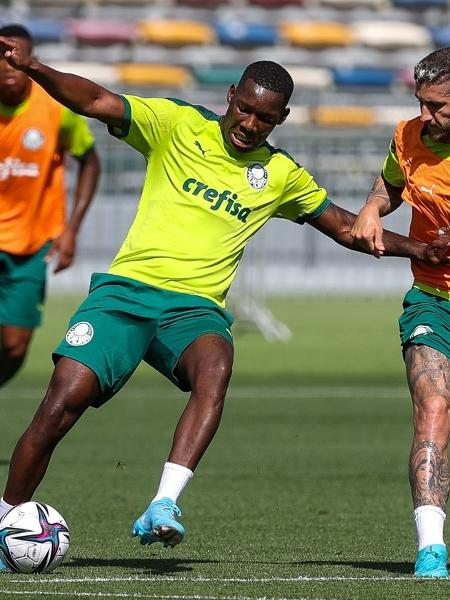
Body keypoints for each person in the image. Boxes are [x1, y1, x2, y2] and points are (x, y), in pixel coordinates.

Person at [0, 41, 448, 572]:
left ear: (281, 119)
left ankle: (163, 502)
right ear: (231, 95)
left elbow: (345, 228)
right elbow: (95, 100)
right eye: (245, 109)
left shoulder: (279, 174)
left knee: (216, 366)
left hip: (194, 309)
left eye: (265, 118)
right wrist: (33, 67)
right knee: (60, 405)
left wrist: (416, 248)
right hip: (126, 293)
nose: (251, 124)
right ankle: (8, 515)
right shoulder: (173, 123)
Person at [351, 47, 450, 578]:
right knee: (432, 405)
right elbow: (392, 183)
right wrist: (372, 206)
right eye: (421, 103)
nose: (426, 116)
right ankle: (431, 547)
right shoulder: (408, 135)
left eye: (439, 107)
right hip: (433, 299)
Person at [0, 24, 100, 387]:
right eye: (1, 57)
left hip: (29, 244)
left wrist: (71, 229)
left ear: (29, 60)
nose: (8, 66)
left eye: (16, 57)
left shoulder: (57, 109)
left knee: (14, 347)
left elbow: (89, 160)